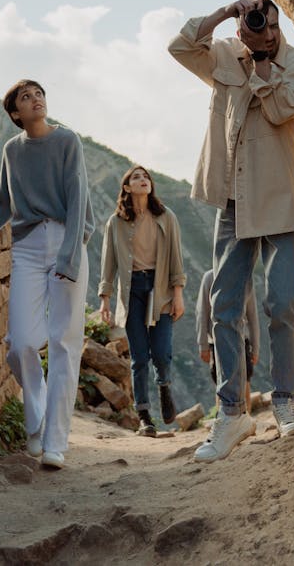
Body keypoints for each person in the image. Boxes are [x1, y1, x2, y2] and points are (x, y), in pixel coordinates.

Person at [169, 0, 294, 461]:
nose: (267, 33)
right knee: (223, 304)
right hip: (233, 200)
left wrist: (261, 62)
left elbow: (279, 111)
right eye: (257, 25)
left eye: (272, 25)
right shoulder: (224, 55)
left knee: (283, 302)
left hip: (278, 198)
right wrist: (225, 12)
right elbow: (180, 46)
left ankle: (286, 405)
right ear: (242, 29)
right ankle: (232, 415)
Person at [0, 79, 94, 470]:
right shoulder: (12, 150)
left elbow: (78, 197)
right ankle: (37, 417)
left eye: (39, 93)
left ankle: (55, 443)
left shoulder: (68, 142)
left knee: (64, 342)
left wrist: (69, 256)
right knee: (21, 343)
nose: (37, 99)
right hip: (27, 246)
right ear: (15, 114)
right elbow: (1, 207)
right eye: (26, 97)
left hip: (67, 239)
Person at [98, 164, 186, 436]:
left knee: (160, 352)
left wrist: (178, 294)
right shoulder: (115, 222)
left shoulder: (166, 217)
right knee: (138, 358)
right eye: (136, 177)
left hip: (159, 289)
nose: (143, 180)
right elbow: (108, 262)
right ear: (127, 188)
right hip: (131, 290)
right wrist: (105, 299)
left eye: (146, 177)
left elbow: (175, 257)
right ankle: (145, 416)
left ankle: (164, 386)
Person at [197, 267, 259, 413]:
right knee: (220, 381)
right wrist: (203, 345)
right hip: (217, 340)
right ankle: (222, 418)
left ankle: (246, 417)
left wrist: (255, 348)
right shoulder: (209, 277)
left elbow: (252, 315)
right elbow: (202, 312)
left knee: (245, 379)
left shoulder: (245, 276)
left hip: (241, 339)